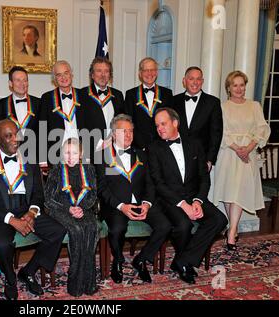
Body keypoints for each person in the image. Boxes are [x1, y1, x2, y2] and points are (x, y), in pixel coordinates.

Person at [0, 119, 66, 300]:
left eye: (16, 134)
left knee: (58, 230)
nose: (15, 139)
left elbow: (39, 193)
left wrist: (32, 212)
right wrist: (12, 220)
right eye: (8, 136)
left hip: (25, 208)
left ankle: (28, 271)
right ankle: (10, 279)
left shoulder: (29, 157)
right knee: (1, 244)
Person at [148, 108, 227, 284]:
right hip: (170, 200)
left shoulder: (195, 143)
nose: (159, 128)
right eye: (157, 126)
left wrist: (198, 201)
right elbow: (158, 184)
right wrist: (184, 205)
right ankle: (185, 265)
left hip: (194, 196)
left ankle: (183, 260)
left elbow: (204, 177)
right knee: (183, 225)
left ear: (175, 123)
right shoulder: (154, 148)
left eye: (163, 124)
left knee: (219, 219)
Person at [96, 114, 172, 284]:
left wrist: (147, 203)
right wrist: (121, 206)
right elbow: (102, 188)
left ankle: (142, 259)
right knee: (116, 229)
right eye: (124, 131)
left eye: (131, 131)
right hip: (116, 205)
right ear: (114, 134)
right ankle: (118, 261)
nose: (129, 135)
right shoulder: (102, 156)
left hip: (141, 202)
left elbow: (150, 183)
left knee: (165, 225)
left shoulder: (141, 154)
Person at [213, 71, 270, 250]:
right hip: (229, 153)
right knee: (230, 193)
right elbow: (220, 131)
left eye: (242, 85)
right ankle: (233, 228)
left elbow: (262, 128)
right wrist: (237, 148)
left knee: (237, 192)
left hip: (248, 154)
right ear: (228, 88)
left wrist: (249, 147)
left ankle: (232, 232)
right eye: (235, 85)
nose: (239, 89)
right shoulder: (223, 107)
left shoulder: (254, 106)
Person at [44, 138, 99, 297]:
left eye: (74, 153)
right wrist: (69, 208)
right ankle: (75, 283)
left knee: (91, 227)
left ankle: (88, 283)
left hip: (83, 208)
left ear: (81, 153)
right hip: (61, 209)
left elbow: (93, 194)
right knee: (76, 230)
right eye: (67, 152)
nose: (70, 156)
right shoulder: (56, 170)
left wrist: (81, 207)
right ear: (62, 153)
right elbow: (49, 198)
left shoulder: (88, 169)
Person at [173, 67, 223, 172]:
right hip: (175, 157)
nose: (195, 82)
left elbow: (216, 134)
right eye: (191, 78)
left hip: (201, 159)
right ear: (184, 81)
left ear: (202, 81)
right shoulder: (173, 101)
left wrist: (210, 160)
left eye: (198, 79)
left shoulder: (213, 103)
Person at [39, 60, 86, 168]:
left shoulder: (83, 96)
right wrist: (42, 159)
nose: (63, 77)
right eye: (59, 75)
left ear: (71, 74)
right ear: (54, 79)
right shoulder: (47, 98)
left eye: (66, 73)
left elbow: (90, 124)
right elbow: (42, 128)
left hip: (80, 153)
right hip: (56, 153)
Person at [124, 57, 174, 150]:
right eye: (146, 70)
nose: (149, 73)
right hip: (138, 147)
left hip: (162, 146)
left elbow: (170, 122)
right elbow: (128, 122)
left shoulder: (167, 93)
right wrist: (141, 144)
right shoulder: (130, 94)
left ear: (157, 72)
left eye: (152, 70)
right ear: (140, 73)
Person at [81, 57, 124, 158]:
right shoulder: (82, 94)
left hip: (114, 148)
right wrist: (98, 143)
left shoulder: (118, 95)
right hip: (91, 150)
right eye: (99, 71)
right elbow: (80, 124)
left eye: (106, 71)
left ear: (110, 75)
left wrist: (114, 140)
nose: (103, 75)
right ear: (92, 75)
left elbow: (122, 122)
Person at [0, 66, 41, 163]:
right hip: (9, 157)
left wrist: (42, 160)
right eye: (18, 80)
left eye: (25, 80)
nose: (22, 84)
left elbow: (43, 131)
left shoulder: (39, 103)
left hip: (34, 159)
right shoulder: (0, 105)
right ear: (10, 83)